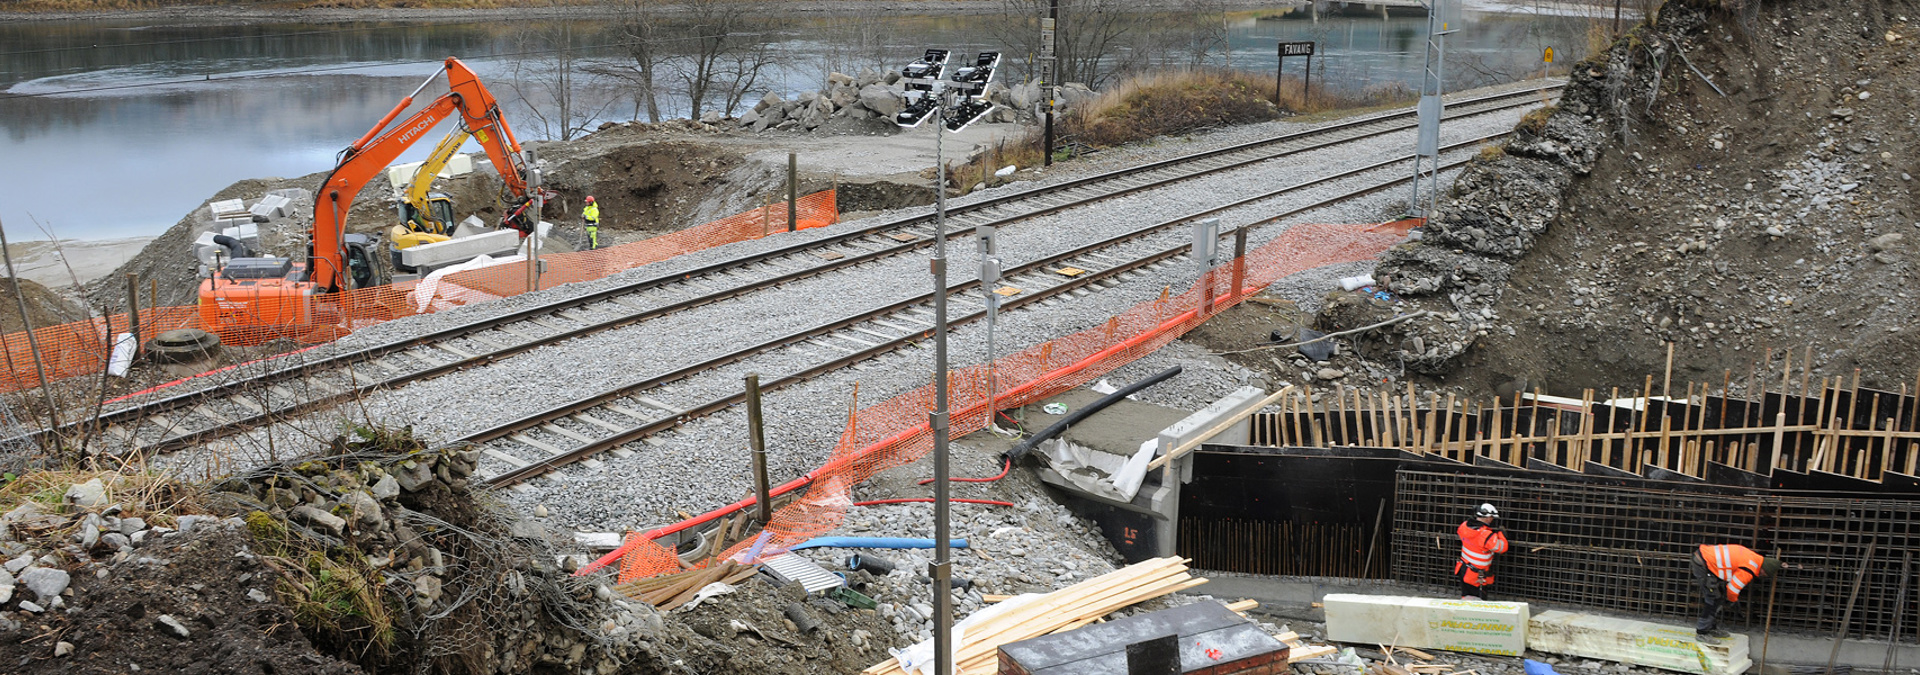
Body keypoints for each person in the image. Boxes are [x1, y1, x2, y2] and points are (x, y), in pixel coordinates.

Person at [1692, 543, 1781, 639]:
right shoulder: (1749, 569)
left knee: (1717, 598)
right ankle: (1702, 632)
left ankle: (1710, 628)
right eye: (1765, 575)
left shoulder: (1754, 557)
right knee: (1713, 600)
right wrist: (1733, 601)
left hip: (1706, 560)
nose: (1762, 576)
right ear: (1764, 570)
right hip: (1703, 563)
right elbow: (1732, 588)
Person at [1456, 503, 1508, 600]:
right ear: (1488, 518)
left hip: (1463, 569)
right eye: (1492, 517)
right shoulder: (1486, 535)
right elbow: (1501, 548)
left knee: (1466, 597)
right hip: (1476, 575)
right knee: (1479, 601)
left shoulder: (1464, 526)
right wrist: (1501, 534)